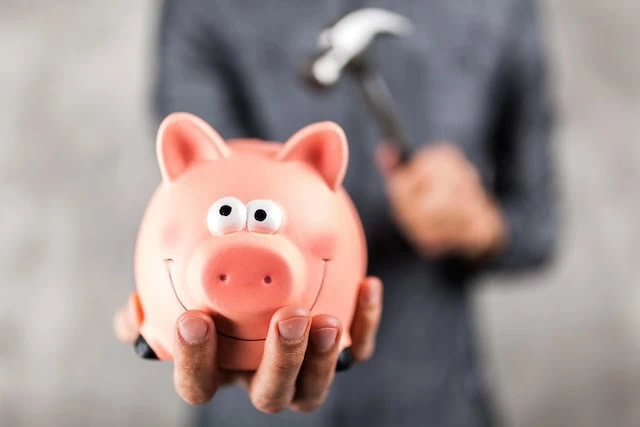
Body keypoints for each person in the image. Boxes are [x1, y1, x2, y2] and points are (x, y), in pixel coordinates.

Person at [114, 0, 556, 425]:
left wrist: (482, 226)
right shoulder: (204, 6)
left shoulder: (499, 6)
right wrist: (177, 308)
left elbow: (539, 230)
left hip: (434, 395)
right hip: (241, 406)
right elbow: (199, 186)